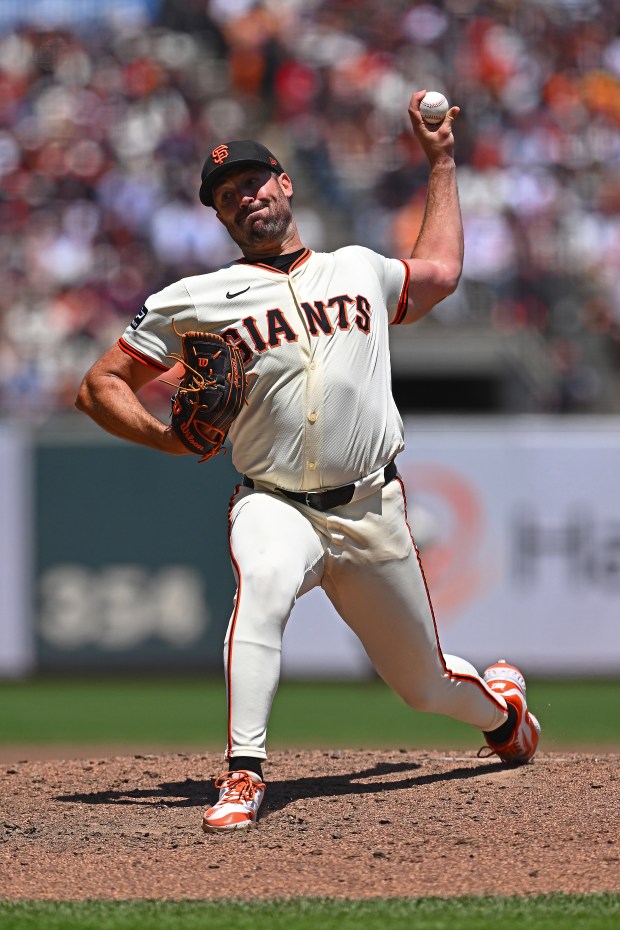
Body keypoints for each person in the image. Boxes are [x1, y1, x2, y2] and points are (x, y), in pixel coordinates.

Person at [76, 90, 540, 833]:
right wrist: (167, 438)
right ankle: (244, 773)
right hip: (272, 500)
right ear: (221, 219)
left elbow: (443, 271)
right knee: (261, 583)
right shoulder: (194, 297)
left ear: (285, 183)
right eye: (227, 197)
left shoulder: (359, 268)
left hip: (369, 508)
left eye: (254, 182)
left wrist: (443, 160)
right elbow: (98, 385)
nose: (245, 198)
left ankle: (503, 713)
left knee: (425, 685)